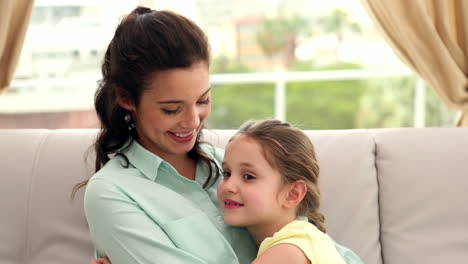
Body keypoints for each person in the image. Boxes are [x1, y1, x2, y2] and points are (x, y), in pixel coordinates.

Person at [80, 6, 362, 264]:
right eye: (171, 109)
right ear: (126, 98)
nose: (192, 121)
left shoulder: (233, 165)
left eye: (202, 101)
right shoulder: (112, 192)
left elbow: (331, 252)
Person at [218, 119, 358, 264]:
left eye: (248, 177)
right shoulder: (308, 239)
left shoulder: (288, 252)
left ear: (292, 194)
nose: (228, 186)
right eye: (227, 173)